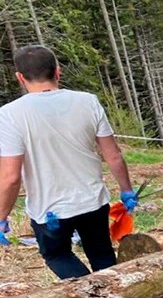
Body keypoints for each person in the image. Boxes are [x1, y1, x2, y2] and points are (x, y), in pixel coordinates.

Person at [0, 45, 139, 280]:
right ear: (58, 71)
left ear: (20, 77)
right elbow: (113, 155)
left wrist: (2, 216)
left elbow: (11, 177)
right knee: (102, 255)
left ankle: (90, 294)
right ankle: (113, 296)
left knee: (58, 256)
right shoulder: (88, 102)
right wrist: (126, 190)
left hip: (50, 210)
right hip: (92, 201)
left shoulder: (10, 114)